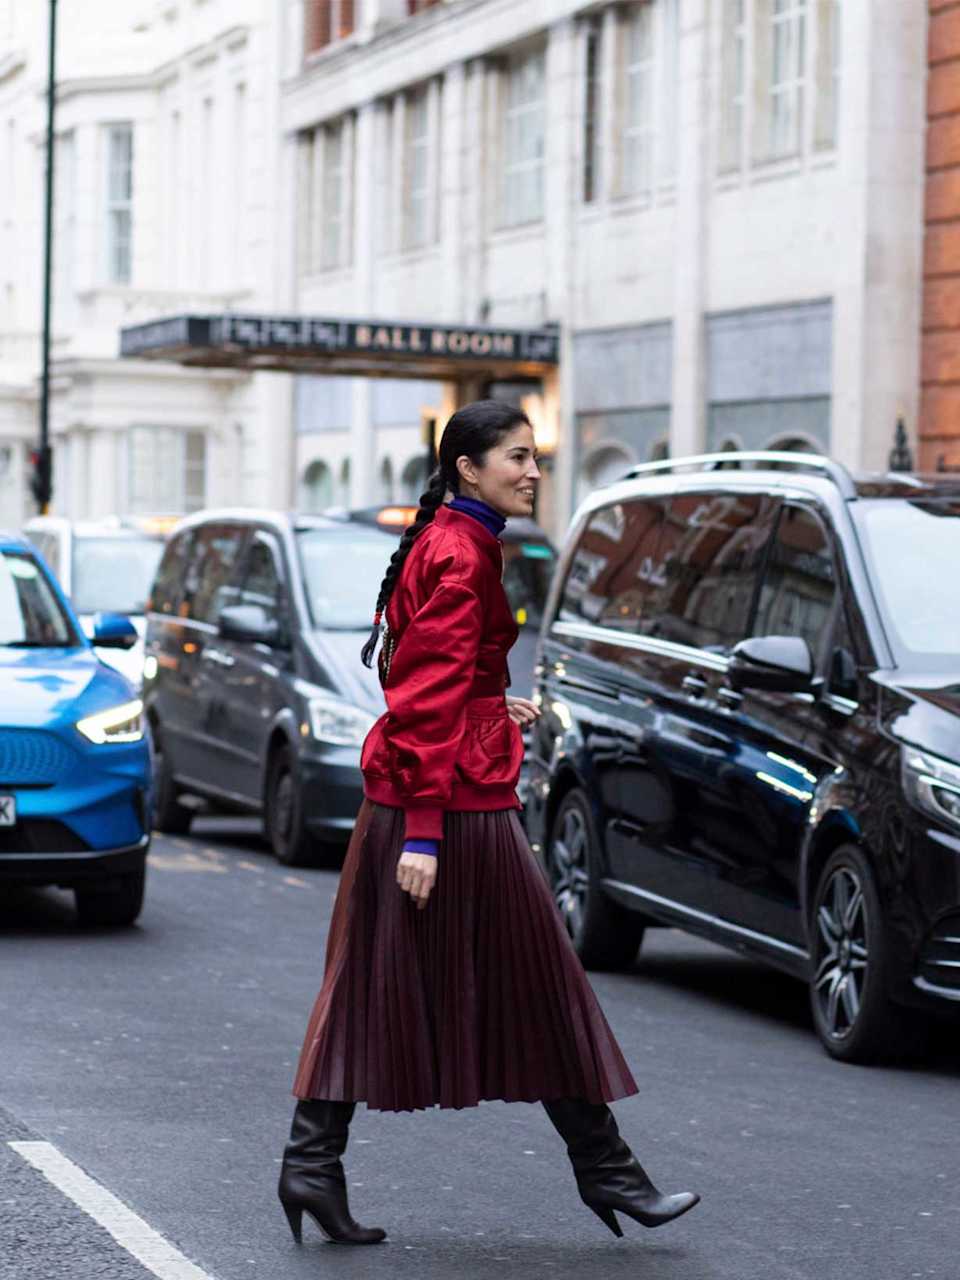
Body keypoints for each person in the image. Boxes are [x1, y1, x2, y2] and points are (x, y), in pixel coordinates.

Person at [278, 400, 700, 1246]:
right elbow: (420, 698)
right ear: (468, 467)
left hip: (430, 793)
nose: (533, 471)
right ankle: (607, 1172)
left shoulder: (453, 540)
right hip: (449, 809)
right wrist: (426, 835)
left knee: (372, 979)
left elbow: (432, 678)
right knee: (538, 979)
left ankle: (310, 1167)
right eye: (516, 456)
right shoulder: (463, 553)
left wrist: (486, 698)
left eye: (535, 456)